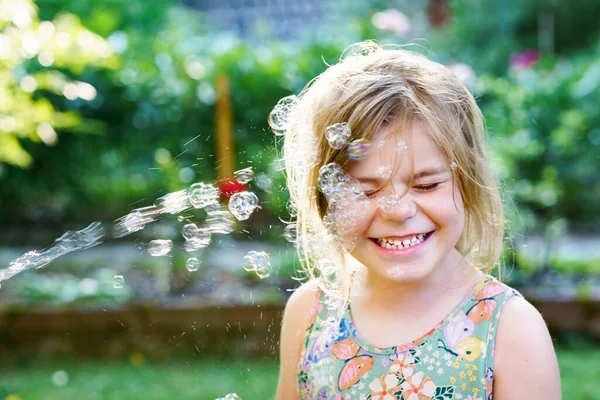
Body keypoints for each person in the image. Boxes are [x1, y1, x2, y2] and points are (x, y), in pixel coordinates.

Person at [274, 41, 561, 400]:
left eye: (425, 185)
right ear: (325, 197)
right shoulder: (311, 312)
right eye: (365, 191)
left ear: (468, 182)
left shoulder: (509, 329)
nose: (397, 210)